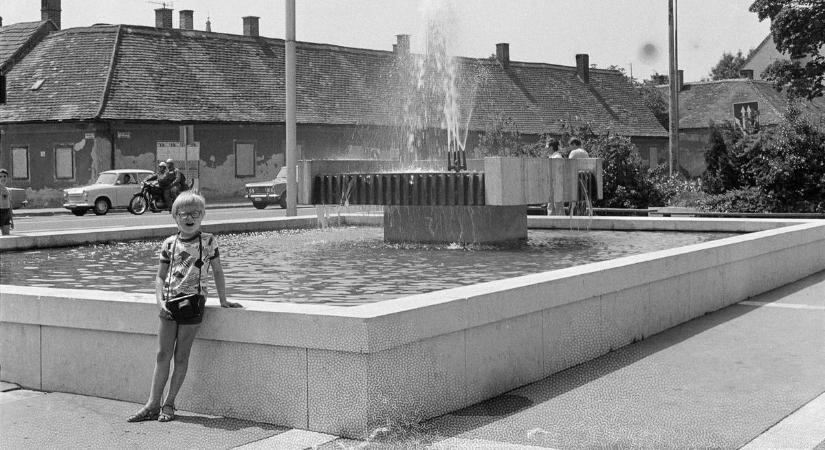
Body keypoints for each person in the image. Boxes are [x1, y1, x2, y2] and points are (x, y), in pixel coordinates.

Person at [127, 192, 242, 423]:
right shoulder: (169, 243)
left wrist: (223, 300)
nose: (189, 218)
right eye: (183, 214)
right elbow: (159, 277)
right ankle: (152, 404)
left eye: (195, 213)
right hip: (169, 304)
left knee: (181, 356)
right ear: (174, 217)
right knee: (162, 355)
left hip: (194, 303)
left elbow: (218, 271)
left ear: (203, 216)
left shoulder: (208, 241)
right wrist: (159, 302)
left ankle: (169, 404)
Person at [0, 169, 14, 235]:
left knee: (6, 236)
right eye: (0, 176)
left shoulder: (8, 190)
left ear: (7, 178)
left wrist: (12, 220)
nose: (3, 178)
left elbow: (10, 206)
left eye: (4, 176)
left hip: (7, 214)